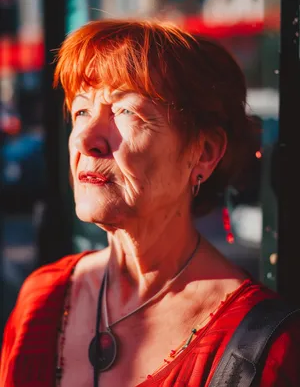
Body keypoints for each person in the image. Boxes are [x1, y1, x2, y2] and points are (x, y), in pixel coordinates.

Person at [1, 20, 300, 387]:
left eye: (126, 111)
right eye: (81, 111)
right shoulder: (41, 301)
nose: (86, 140)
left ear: (203, 153)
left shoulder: (262, 349)